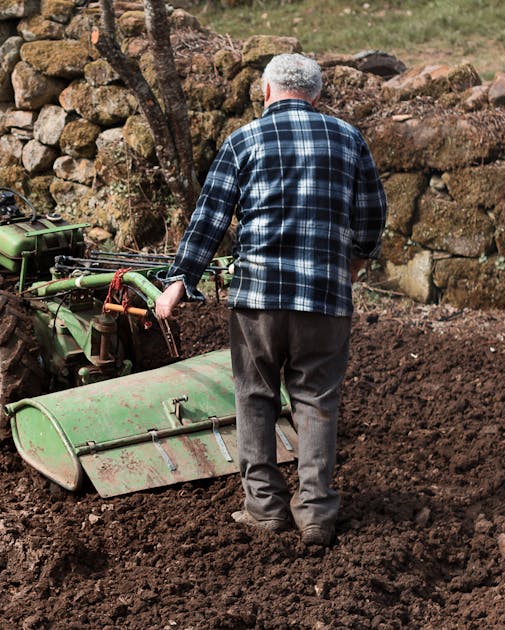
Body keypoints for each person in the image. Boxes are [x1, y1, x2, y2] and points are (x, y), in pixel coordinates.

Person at [154, 53, 387, 547]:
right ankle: (317, 512)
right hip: (325, 298)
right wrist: (353, 265)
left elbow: (210, 217)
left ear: (265, 92)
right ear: (316, 96)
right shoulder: (348, 139)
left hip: (258, 298)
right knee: (317, 398)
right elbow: (372, 215)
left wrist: (179, 281)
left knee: (256, 395)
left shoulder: (244, 140)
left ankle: (265, 509)